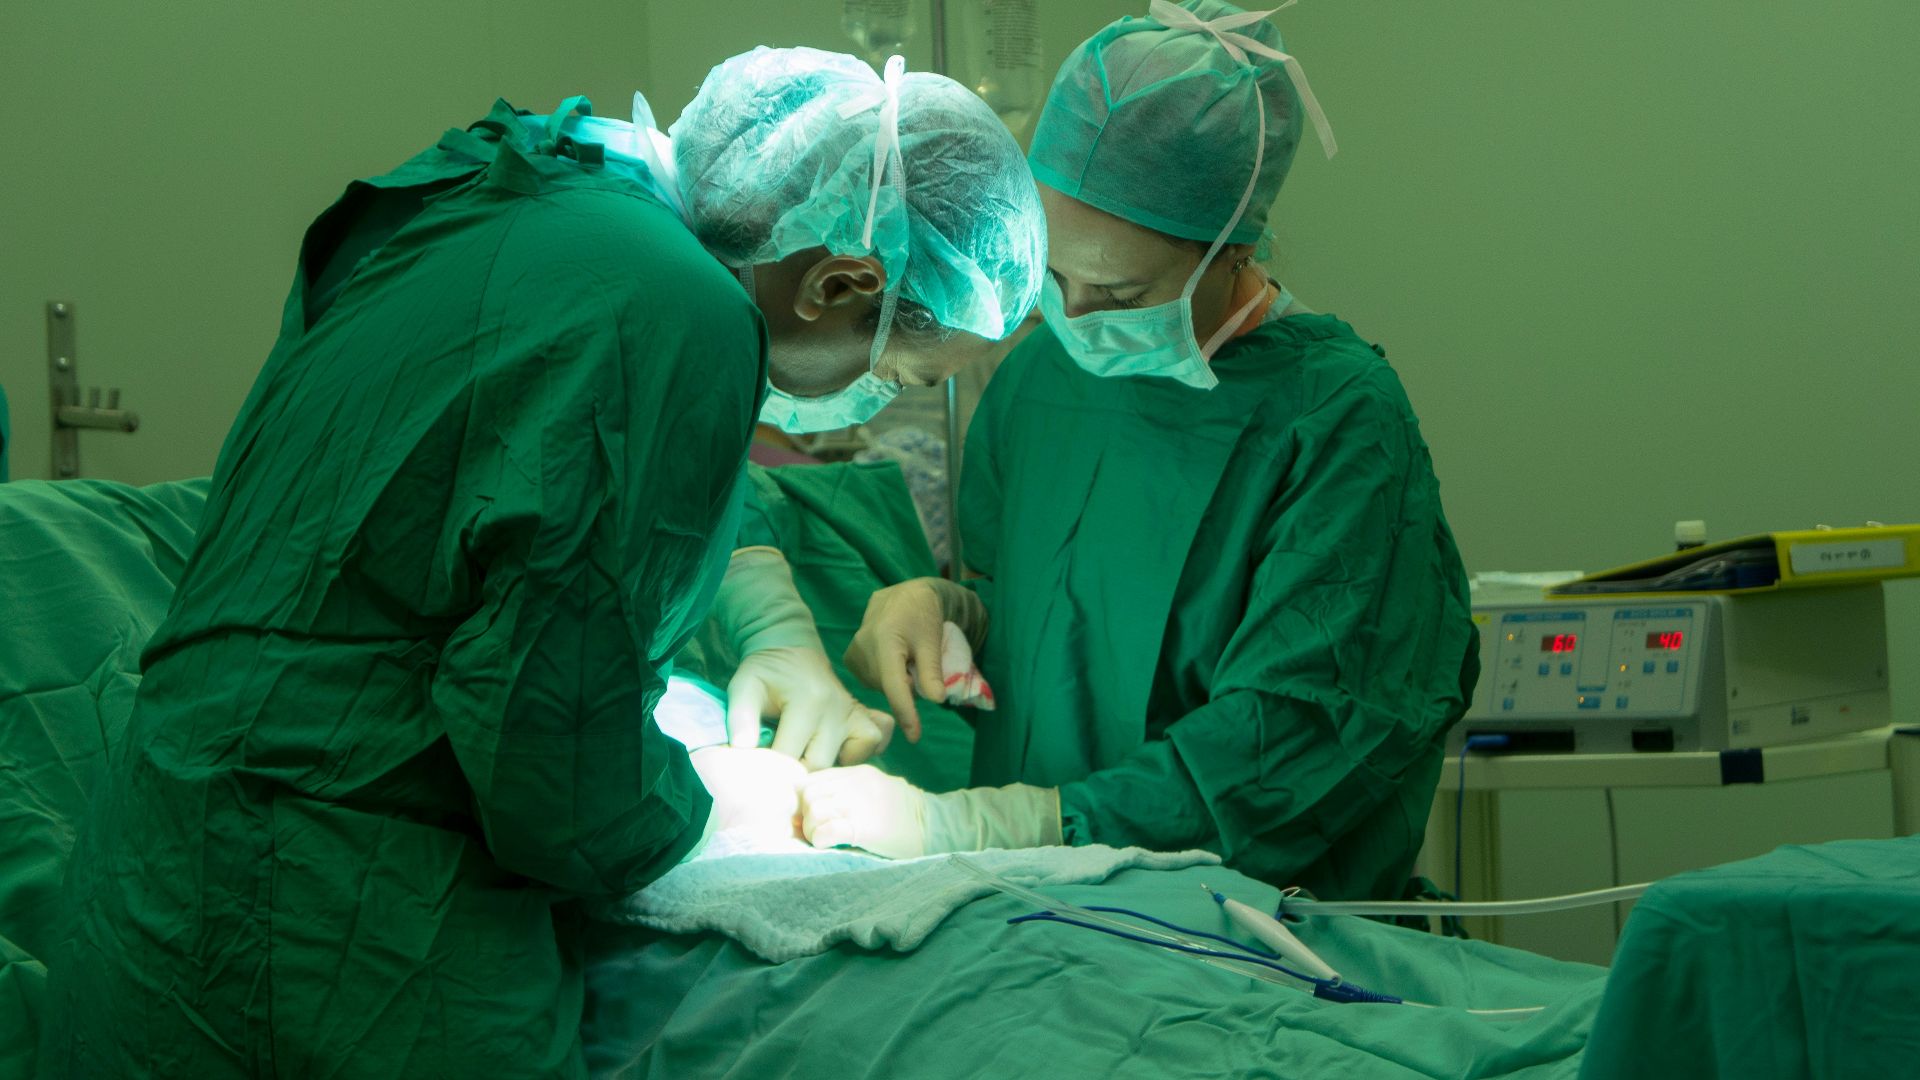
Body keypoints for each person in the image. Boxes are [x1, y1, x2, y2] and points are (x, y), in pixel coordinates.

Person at [38, 47, 1042, 1078]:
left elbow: (481, 481)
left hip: (159, 857)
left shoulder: (508, 192)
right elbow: (549, 760)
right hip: (345, 921)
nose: (877, 400)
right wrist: (708, 804)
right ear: (840, 283)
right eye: (902, 373)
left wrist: (769, 621)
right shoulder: (679, 312)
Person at [806, 1, 1480, 903]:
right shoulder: (1042, 379)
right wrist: (949, 610)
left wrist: (1003, 828)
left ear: (1231, 250)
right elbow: (1052, 622)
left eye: (1120, 288)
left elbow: (1300, 741)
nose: (1072, 316)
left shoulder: (1336, 421)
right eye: (1052, 274)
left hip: (1256, 940)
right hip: (1035, 921)